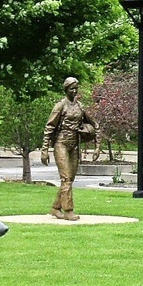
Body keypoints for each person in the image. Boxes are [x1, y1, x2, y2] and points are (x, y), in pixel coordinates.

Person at [41, 77, 99, 221]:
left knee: (69, 179)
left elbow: (94, 125)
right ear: (66, 89)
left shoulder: (80, 106)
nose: (74, 91)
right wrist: (44, 150)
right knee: (66, 178)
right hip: (61, 143)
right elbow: (49, 127)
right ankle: (68, 210)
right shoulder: (60, 106)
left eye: (76, 88)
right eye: (71, 88)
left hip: (74, 143)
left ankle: (55, 208)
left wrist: (97, 147)